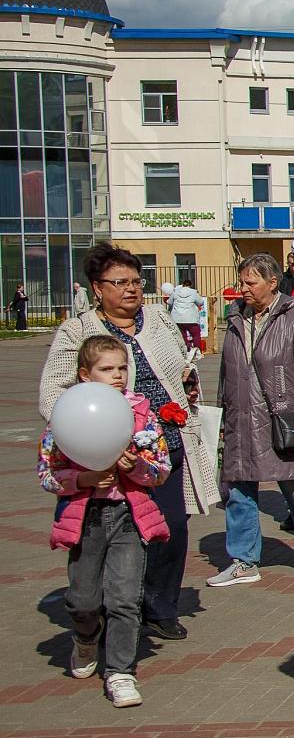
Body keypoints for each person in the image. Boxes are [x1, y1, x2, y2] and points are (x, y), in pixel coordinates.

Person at [40, 242, 218, 642]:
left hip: (165, 446)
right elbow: (52, 394)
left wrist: (188, 386)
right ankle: (113, 609)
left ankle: (159, 606)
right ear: (96, 288)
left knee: (171, 526)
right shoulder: (78, 330)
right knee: (115, 534)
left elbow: (178, 366)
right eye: (119, 282)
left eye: (137, 281)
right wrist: (84, 437)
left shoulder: (158, 317)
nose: (132, 289)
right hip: (109, 456)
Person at [40, 335, 173, 707]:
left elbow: (160, 469)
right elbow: (47, 472)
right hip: (85, 518)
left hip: (129, 516)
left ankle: (120, 671)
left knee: (125, 598)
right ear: (85, 374)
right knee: (83, 599)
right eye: (107, 369)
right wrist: (81, 479)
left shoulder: (140, 413)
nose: (117, 376)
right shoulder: (69, 413)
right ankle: (85, 638)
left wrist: (138, 469)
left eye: (122, 368)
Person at [209, 253, 294, 586]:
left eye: (251, 282)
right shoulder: (236, 318)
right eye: (242, 282)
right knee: (238, 490)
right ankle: (244, 560)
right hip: (241, 418)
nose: (243, 288)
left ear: (273, 282)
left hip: (282, 416)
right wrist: (223, 419)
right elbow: (225, 373)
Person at [168, 277, 206, 354]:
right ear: (190, 285)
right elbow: (201, 302)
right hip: (191, 318)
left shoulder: (175, 292)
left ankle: (186, 350)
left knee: (182, 336)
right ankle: (197, 351)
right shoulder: (194, 293)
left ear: (183, 285)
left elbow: (169, 302)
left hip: (177, 318)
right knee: (196, 335)